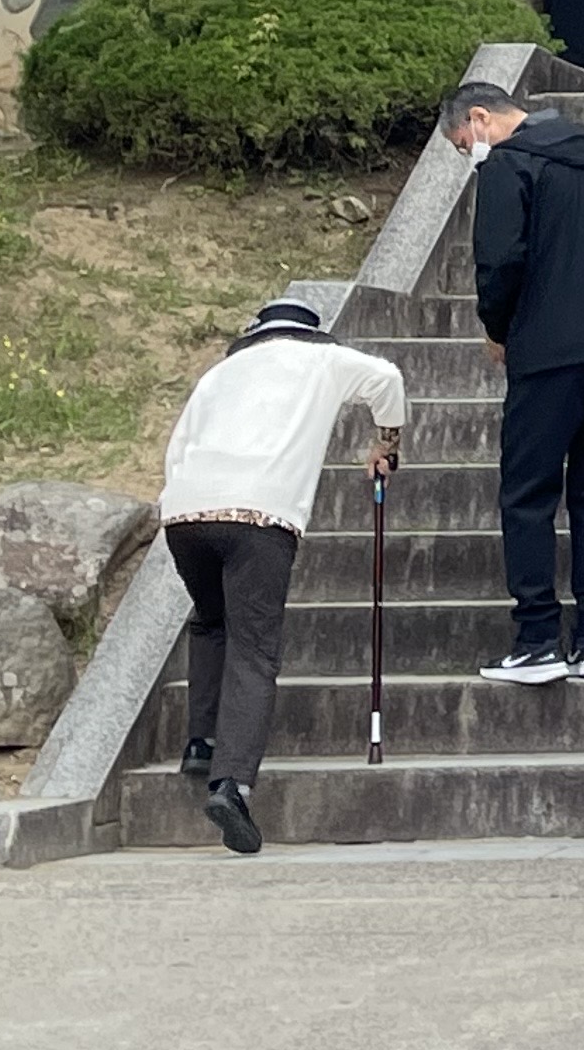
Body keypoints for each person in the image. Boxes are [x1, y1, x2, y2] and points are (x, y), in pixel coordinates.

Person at [154, 294, 404, 854]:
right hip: (261, 516)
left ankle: (201, 740)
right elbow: (387, 378)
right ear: (311, 331)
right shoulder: (324, 359)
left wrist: (181, 502)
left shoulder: (220, 374)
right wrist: (387, 443)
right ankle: (231, 785)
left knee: (210, 619)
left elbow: (178, 449)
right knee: (255, 649)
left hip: (186, 514)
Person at [449, 79, 584, 684]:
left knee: (528, 494)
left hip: (548, 351)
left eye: (463, 143)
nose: (469, 153)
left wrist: (497, 329)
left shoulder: (508, 166)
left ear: (480, 118)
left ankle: (537, 637)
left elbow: (499, 261)